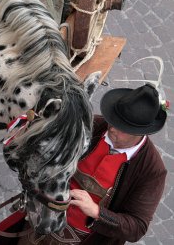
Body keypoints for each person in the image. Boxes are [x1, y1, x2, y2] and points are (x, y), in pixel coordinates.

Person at [66, 83, 167, 244]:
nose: (111, 128)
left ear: (140, 133)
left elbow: (137, 228)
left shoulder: (152, 170)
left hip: (87, 239)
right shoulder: (91, 125)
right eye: (112, 120)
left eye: (121, 127)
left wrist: (97, 212)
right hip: (44, 215)